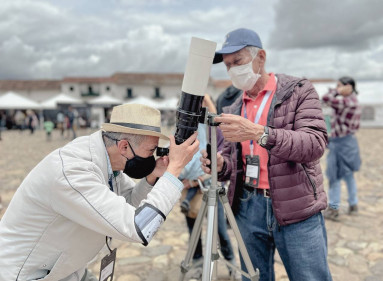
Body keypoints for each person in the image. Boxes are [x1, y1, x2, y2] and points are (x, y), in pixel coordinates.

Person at [0, 104, 200, 281]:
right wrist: (173, 171)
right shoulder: (74, 171)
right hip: (29, 274)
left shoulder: (107, 161)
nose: (151, 157)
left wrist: (152, 177)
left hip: (66, 270)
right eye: (150, 151)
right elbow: (139, 227)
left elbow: (129, 203)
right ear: (124, 146)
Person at [200, 28, 332, 281]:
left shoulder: (298, 91)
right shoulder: (235, 106)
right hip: (248, 206)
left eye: (237, 62)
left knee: (310, 276)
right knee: (254, 277)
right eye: (227, 66)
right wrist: (220, 164)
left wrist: (259, 132)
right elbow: (232, 162)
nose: (232, 71)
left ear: (260, 57)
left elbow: (315, 144)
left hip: (296, 205)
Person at [179, 95, 240, 280]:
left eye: (202, 106)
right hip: (190, 185)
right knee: (194, 229)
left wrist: (206, 100)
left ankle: (232, 264)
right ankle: (197, 264)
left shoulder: (212, 129)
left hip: (211, 183)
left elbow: (217, 128)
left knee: (220, 230)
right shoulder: (186, 129)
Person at [322, 77, 362, 221]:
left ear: (348, 86)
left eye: (339, 85)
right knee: (348, 174)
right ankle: (353, 204)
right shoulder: (354, 100)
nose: (337, 88)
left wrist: (335, 91)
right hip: (350, 142)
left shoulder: (346, 101)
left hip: (340, 143)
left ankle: (333, 208)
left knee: (334, 176)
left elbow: (326, 98)